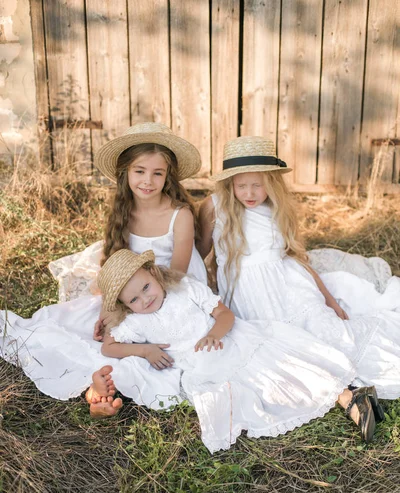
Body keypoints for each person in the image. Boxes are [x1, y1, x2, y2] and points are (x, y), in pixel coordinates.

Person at [0, 123, 207, 417]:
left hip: (168, 291)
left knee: (158, 343)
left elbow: (176, 275)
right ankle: (97, 388)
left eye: (157, 173)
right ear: (126, 172)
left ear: (168, 177)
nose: (147, 181)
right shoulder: (124, 209)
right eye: (139, 171)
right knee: (83, 327)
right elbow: (113, 261)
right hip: (129, 287)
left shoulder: (179, 215)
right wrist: (110, 307)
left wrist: (132, 307)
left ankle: (105, 388)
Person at [90, 248, 380, 452]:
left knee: (280, 366)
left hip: (231, 341)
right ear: (125, 306)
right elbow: (109, 348)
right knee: (258, 388)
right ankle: (352, 399)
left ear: (154, 273)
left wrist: (215, 334)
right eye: (134, 300)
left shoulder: (185, 290)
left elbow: (225, 314)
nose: (145, 299)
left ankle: (349, 397)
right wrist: (145, 351)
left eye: (146, 287)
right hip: (204, 366)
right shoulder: (137, 321)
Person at [197, 135, 400, 403]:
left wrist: (327, 298)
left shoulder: (276, 208)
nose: (249, 193)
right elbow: (199, 252)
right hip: (250, 294)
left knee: (325, 329)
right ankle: (344, 392)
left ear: (271, 182)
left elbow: (295, 257)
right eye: (241, 185)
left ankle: (356, 380)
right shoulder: (215, 206)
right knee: (285, 344)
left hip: (291, 283)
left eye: (257, 185)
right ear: (229, 183)